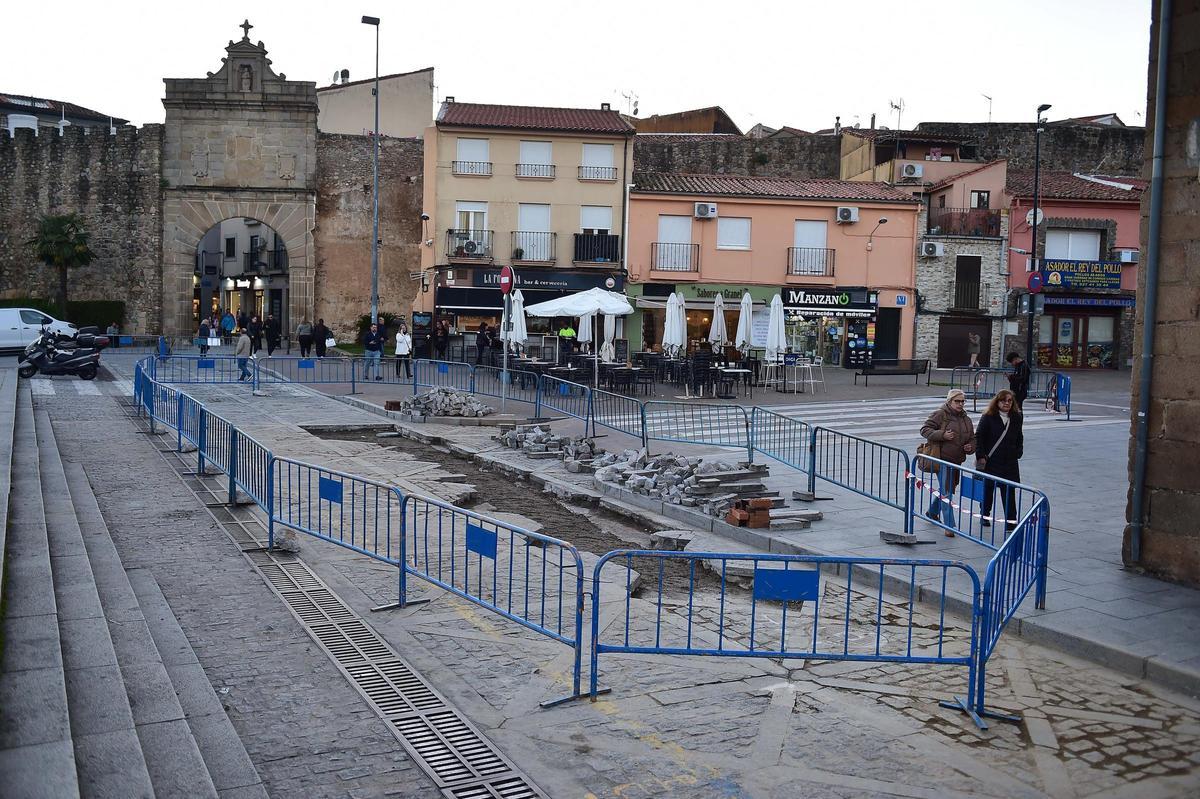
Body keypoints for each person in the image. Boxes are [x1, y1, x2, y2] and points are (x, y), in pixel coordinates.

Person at [920, 388, 977, 536]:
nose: (960, 404)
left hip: (956, 460)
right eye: (957, 401)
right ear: (949, 401)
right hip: (941, 459)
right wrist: (942, 435)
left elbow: (972, 437)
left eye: (962, 401)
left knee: (949, 490)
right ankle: (950, 526)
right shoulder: (940, 414)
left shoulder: (966, 419)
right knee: (947, 493)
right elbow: (924, 429)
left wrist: (970, 447)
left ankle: (932, 512)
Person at [975, 389, 1024, 530]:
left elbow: (1019, 436)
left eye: (1009, 400)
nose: (1007, 403)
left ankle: (1011, 521)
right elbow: (979, 436)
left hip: (1010, 461)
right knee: (988, 489)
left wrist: (1018, 451)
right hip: (991, 460)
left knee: (1009, 491)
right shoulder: (988, 416)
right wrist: (980, 456)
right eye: (1003, 400)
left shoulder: (1016, 417)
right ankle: (984, 515)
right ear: (997, 402)